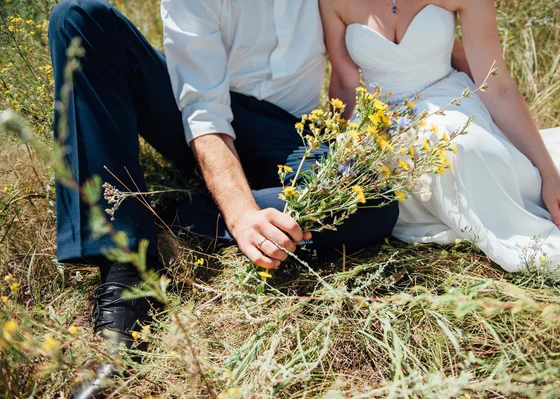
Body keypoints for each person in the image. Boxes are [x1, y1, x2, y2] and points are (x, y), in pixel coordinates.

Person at [46, 0, 479, 396]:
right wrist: (239, 213)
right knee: (79, 17)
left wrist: (486, 102)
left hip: (292, 136)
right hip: (194, 117)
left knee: (375, 201)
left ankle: (169, 215)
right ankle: (124, 267)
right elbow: (203, 110)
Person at [320, 0, 560, 272]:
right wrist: (334, 151)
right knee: (383, 179)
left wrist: (551, 175)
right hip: (383, 121)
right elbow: (345, 82)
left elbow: (497, 86)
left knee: (463, 146)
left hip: (449, 99)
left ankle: (527, 229)